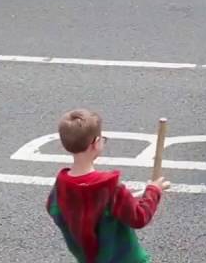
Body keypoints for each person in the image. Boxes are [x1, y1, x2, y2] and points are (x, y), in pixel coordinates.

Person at [47, 109, 168, 262]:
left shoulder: (61, 186)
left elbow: (53, 210)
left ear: (64, 145)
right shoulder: (109, 187)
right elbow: (139, 217)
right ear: (97, 143)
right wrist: (154, 190)